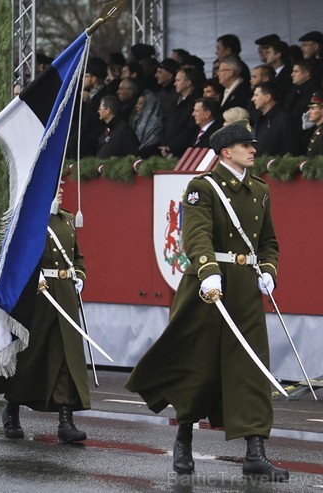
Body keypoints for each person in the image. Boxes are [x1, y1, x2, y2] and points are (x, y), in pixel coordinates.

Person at [126, 120, 288, 482]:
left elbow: (269, 242)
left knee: (251, 367)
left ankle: (255, 452)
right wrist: (209, 270)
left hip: (245, 288)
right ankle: (184, 439)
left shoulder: (260, 190)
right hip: (208, 287)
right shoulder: (203, 187)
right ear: (226, 152)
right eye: (246, 145)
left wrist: (269, 271)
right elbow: (195, 234)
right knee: (198, 365)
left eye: (252, 145)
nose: (253, 150)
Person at [0, 184, 90, 444]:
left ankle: (66, 420)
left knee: (66, 356)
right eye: (55, 186)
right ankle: (12, 409)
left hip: (64, 295)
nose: (61, 189)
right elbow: (13, 255)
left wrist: (80, 276)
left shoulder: (66, 219)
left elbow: (77, 257)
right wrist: (33, 276)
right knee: (29, 355)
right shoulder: (27, 217)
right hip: (37, 296)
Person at [251, 83, 301, 156]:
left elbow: (290, 150)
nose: (253, 99)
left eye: (256, 95)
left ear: (267, 97)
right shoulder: (260, 119)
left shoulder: (285, 119)